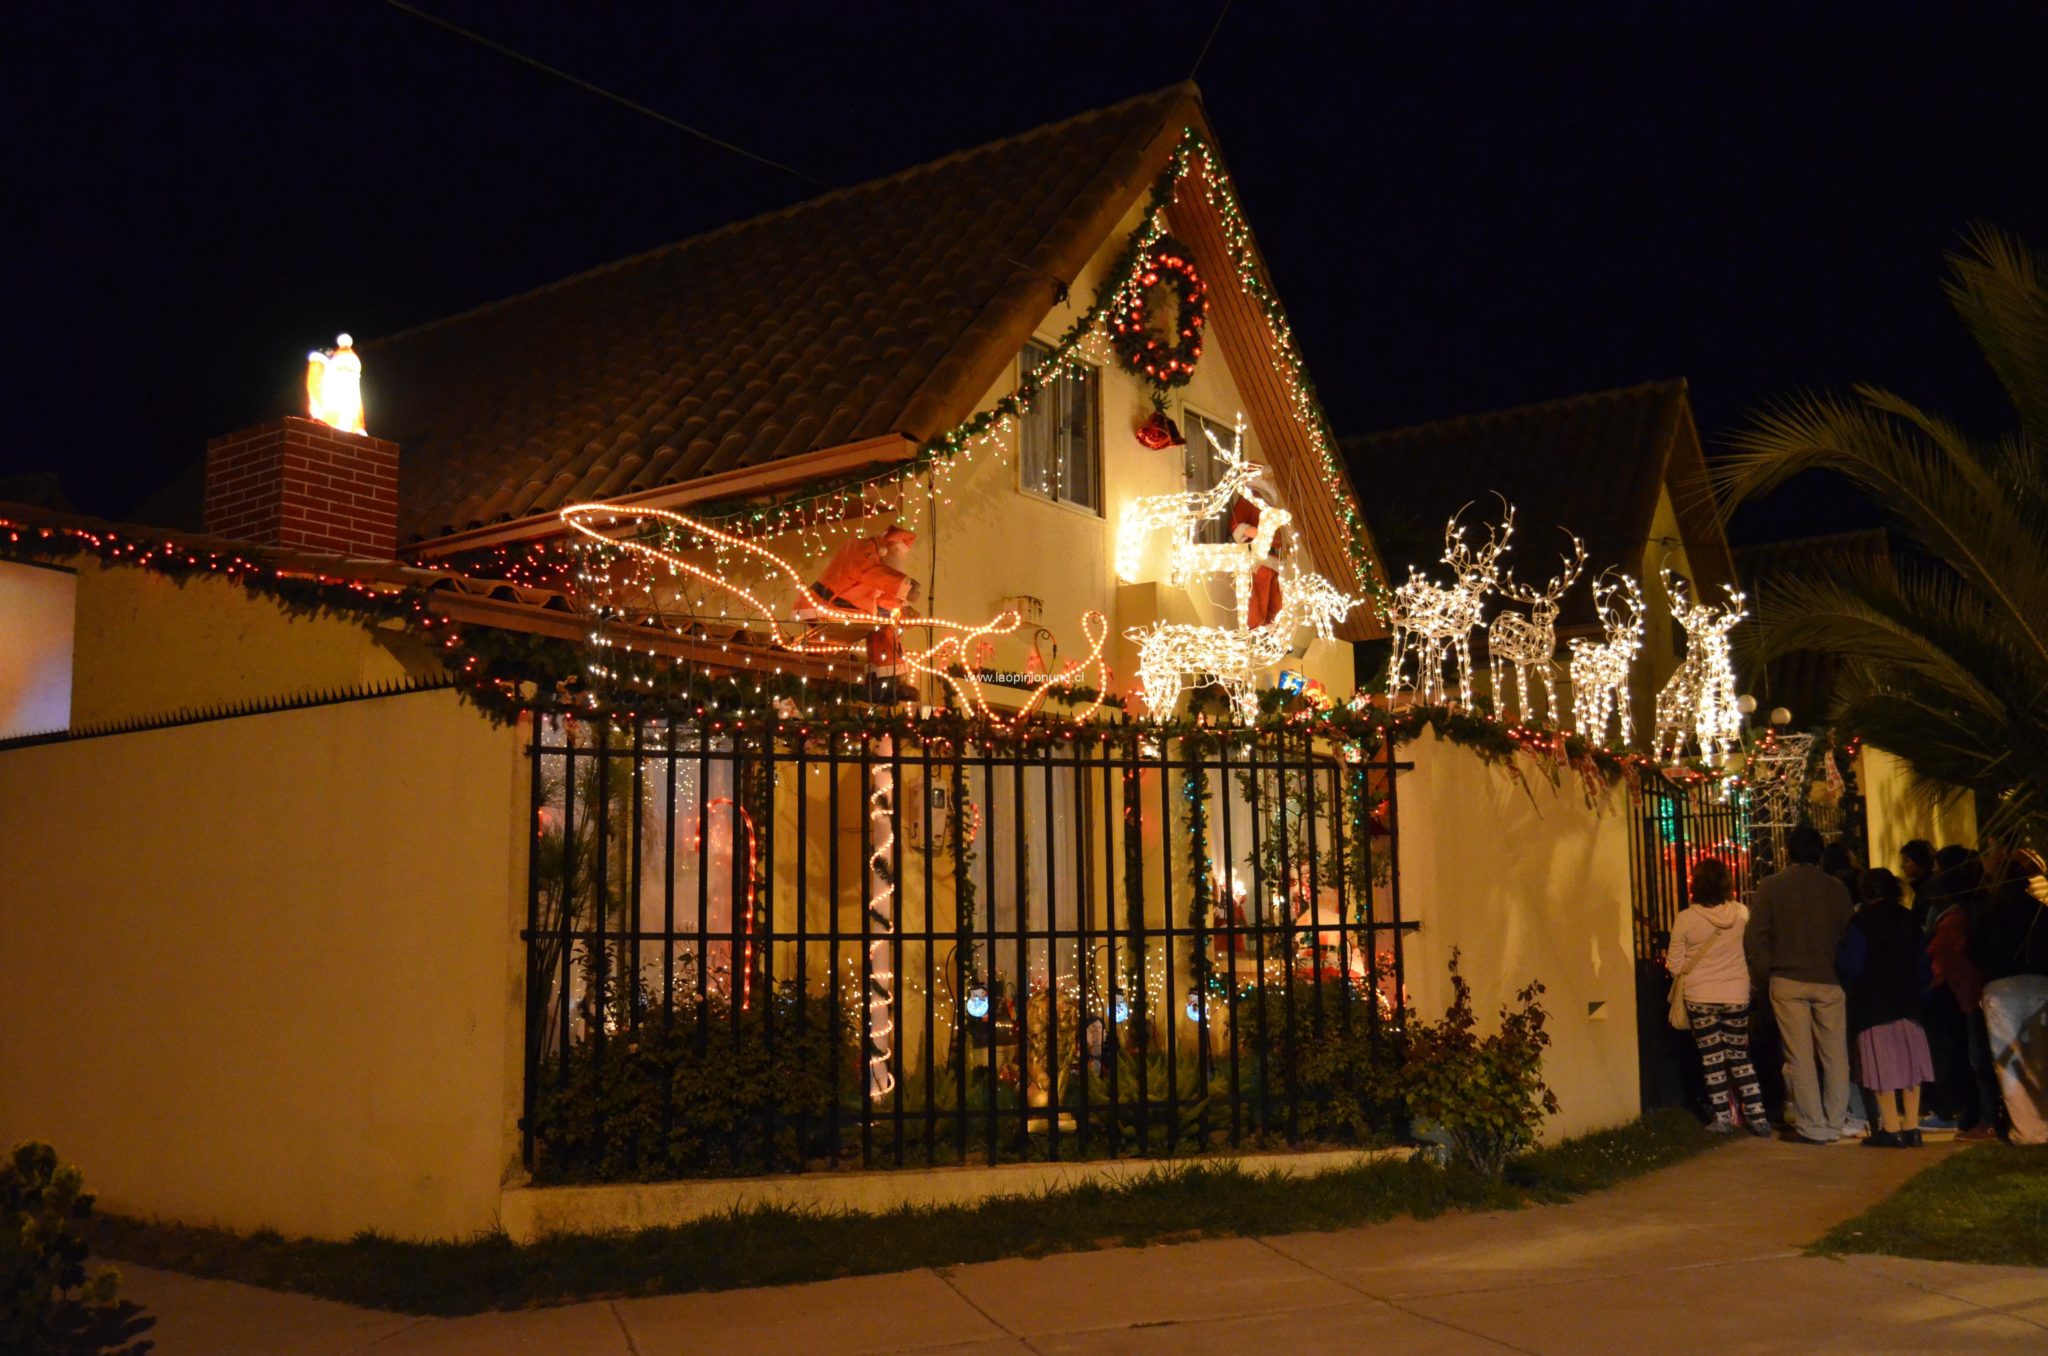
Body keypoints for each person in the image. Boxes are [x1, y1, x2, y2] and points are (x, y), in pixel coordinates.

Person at [1746, 825, 1855, 1143]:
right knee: (1835, 1053)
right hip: (1829, 979)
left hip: (1787, 978)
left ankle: (1812, 1124)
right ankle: (1835, 1121)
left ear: (1787, 852)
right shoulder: (1836, 889)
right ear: (1820, 853)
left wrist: (1765, 974)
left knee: (1800, 1055)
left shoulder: (1771, 887)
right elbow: (1848, 932)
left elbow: (1756, 936)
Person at [1666, 856, 1770, 1134]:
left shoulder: (1686, 919)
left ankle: (1722, 1117)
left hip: (1700, 997)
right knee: (1739, 1055)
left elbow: (1674, 965)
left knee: (1712, 1058)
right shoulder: (1741, 913)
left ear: (1696, 885)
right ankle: (1758, 1116)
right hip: (1736, 993)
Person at [1839, 869, 1934, 1148]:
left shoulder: (1861, 922)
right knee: (1910, 1065)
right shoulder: (1908, 919)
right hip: (1908, 1003)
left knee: (1883, 1068)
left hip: (1874, 1004)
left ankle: (1890, 1128)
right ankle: (1912, 1127)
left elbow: (1852, 965)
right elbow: (1922, 963)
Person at [1929, 848, 1998, 1140]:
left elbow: (1943, 961)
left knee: (1979, 1060)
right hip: (1986, 990)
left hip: (1969, 995)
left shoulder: (1955, 917)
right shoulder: (1985, 904)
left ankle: (1988, 1118)